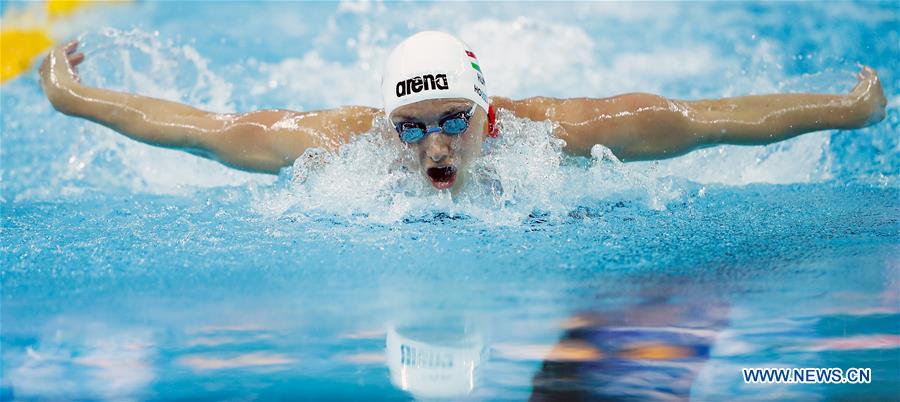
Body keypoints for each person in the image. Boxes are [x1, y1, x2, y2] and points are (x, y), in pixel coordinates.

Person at [40, 31, 886, 193]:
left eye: (452, 121)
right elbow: (192, 129)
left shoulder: (560, 131)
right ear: (386, 124)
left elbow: (710, 119)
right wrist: (75, 98)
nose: (433, 144)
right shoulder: (331, 148)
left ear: (486, 115)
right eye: (412, 128)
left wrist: (844, 113)